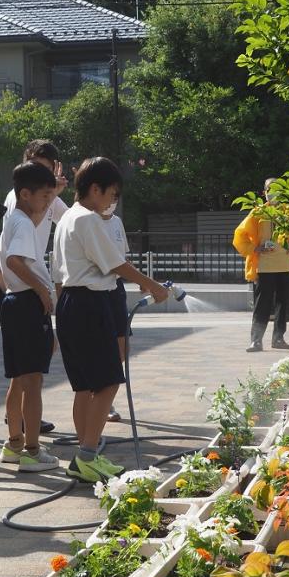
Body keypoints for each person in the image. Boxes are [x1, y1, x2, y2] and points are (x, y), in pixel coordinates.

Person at [52, 156, 168, 483]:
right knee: (108, 381)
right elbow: (117, 265)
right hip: (90, 303)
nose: (112, 201)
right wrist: (152, 285)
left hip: (72, 304)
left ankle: (86, 454)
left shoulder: (67, 218)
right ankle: (87, 454)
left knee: (86, 385)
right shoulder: (87, 220)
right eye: (111, 193)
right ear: (95, 188)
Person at [0, 139, 69, 435]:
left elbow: (72, 218)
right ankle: (28, 442)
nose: (46, 182)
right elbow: (13, 257)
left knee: (28, 367)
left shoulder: (45, 195)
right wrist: (39, 289)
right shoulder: (21, 200)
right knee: (29, 371)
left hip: (22, 287)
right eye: (36, 167)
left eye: (48, 170)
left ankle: (18, 430)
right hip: (19, 287)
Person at [233, 177, 289, 353]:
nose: (273, 192)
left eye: (277, 188)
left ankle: (279, 338)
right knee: (262, 304)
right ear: (264, 192)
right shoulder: (258, 212)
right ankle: (256, 340)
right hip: (264, 266)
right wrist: (255, 248)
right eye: (269, 188)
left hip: (286, 265)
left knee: (282, 303)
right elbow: (239, 235)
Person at [101, 196, 130, 423]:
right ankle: (101, 399)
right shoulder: (89, 221)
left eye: (116, 197)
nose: (112, 201)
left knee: (122, 347)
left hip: (117, 287)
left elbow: (122, 259)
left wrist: (141, 280)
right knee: (102, 348)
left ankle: (107, 397)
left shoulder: (117, 222)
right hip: (99, 289)